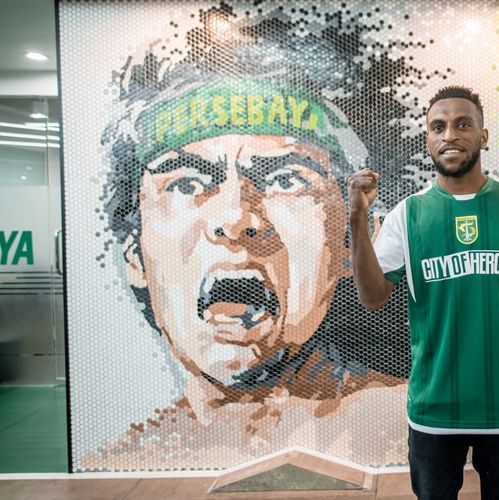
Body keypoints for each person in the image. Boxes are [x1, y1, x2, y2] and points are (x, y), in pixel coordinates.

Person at [87, 3, 423, 469]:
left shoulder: (410, 430)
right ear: (135, 255)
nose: (235, 218)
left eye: (287, 179)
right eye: (186, 183)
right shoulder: (124, 460)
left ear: (349, 245)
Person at [347, 86, 499, 499]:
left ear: (483, 136)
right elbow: (372, 298)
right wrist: (357, 216)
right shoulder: (407, 215)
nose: (449, 135)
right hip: (434, 410)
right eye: (438, 127)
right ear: (428, 139)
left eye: (463, 124)